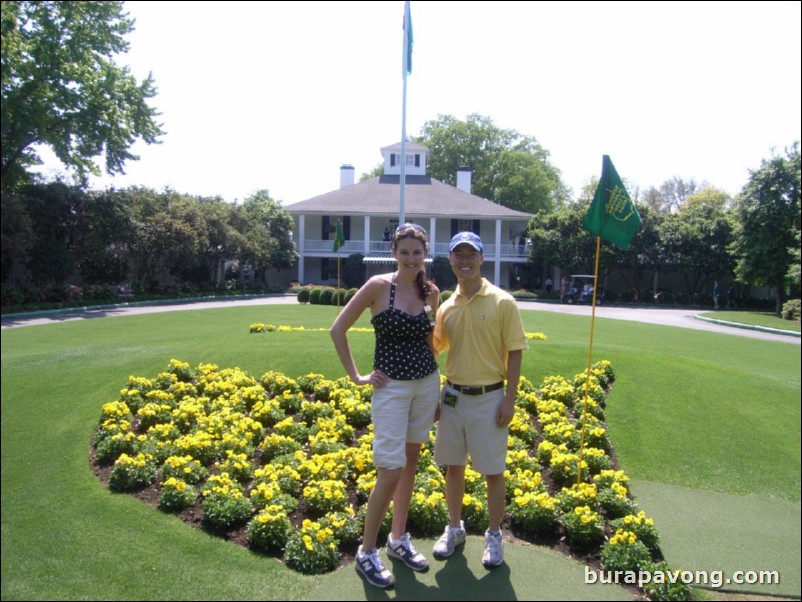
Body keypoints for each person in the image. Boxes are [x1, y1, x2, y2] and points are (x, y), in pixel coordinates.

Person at [330, 223, 440, 589]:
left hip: (426, 386)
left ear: (425, 253)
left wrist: (438, 392)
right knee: (390, 470)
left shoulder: (431, 293)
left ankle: (397, 539)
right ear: (394, 252)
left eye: (417, 252)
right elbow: (338, 329)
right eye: (404, 252)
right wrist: (357, 376)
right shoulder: (379, 287)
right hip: (391, 390)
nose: (411, 258)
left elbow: (431, 343)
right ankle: (366, 551)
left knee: (410, 463)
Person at [431, 231, 528, 569]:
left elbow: (515, 352)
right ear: (451, 260)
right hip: (454, 396)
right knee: (453, 468)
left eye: (471, 254)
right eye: (459, 254)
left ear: (482, 258)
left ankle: (493, 534)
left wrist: (509, 400)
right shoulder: (446, 306)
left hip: (490, 398)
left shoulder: (503, 301)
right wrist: (429, 313)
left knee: (492, 472)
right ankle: (455, 528)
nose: (465, 260)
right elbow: (435, 350)